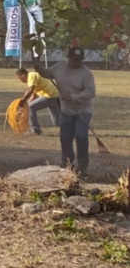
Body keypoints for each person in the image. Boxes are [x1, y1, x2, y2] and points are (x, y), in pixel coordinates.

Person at [33, 46, 96, 175]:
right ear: (69, 58)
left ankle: (82, 166)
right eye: (75, 59)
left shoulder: (86, 73)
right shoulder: (60, 66)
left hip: (82, 111)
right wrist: (39, 68)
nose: (78, 62)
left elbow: (90, 92)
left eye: (80, 59)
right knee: (65, 138)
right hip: (66, 111)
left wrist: (74, 97)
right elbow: (47, 74)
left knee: (81, 136)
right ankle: (67, 164)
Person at [15, 66, 61, 135]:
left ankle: (35, 130)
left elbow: (30, 90)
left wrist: (22, 101)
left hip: (49, 95)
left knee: (31, 107)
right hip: (55, 95)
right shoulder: (33, 78)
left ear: (22, 75)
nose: (20, 80)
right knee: (57, 121)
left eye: (19, 78)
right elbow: (33, 95)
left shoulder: (31, 75)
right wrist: (25, 106)